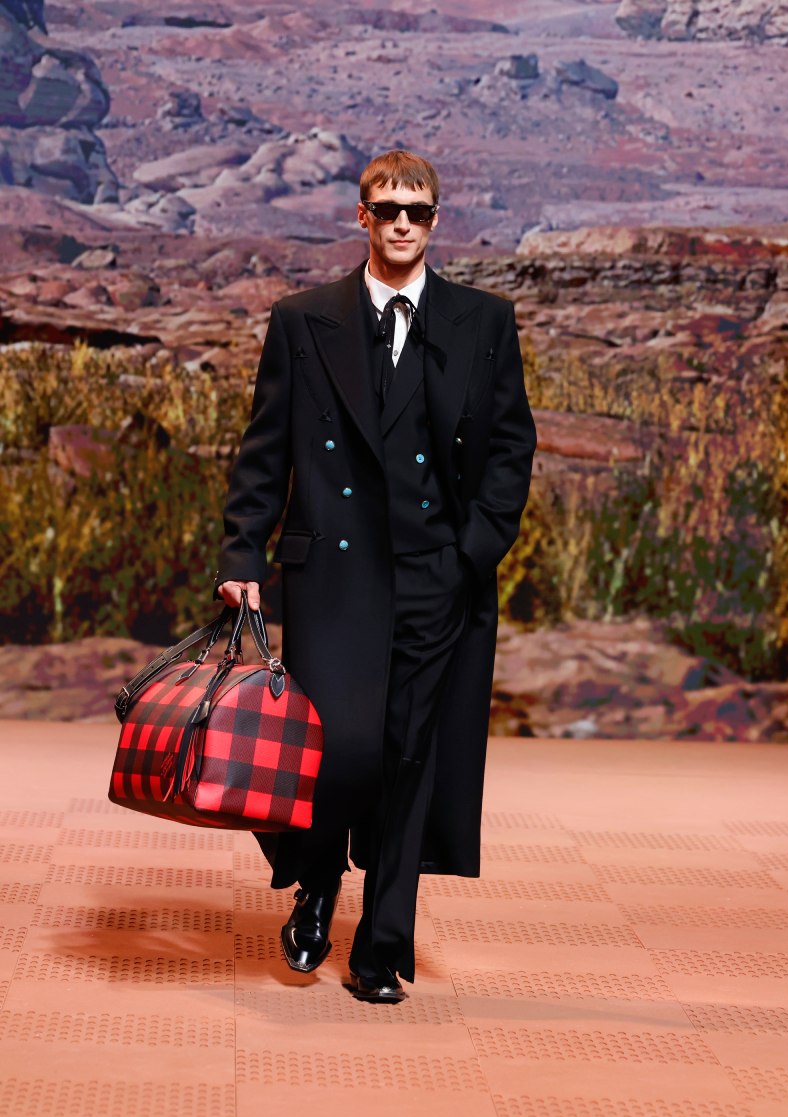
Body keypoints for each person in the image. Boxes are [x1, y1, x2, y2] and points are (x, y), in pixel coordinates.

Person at [213, 149, 536, 1003]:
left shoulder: (483, 321)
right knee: (339, 749)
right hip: (335, 575)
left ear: (435, 221)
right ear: (362, 216)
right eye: (387, 209)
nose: (401, 223)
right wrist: (242, 552)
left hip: (437, 574)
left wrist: (472, 553)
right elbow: (265, 449)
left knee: (408, 758)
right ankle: (317, 881)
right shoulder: (303, 320)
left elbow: (511, 448)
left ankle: (381, 946)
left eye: (416, 211)